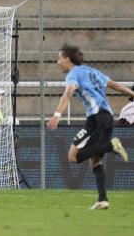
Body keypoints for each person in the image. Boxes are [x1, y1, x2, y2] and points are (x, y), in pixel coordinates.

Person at [47, 44, 134, 210]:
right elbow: (114, 85)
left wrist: (57, 114)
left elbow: (69, 92)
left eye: (59, 58)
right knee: (95, 161)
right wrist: (133, 94)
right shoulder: (92, 71)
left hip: (96, 118)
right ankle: (103, 199)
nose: (58, 62)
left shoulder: (73, 74)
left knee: (73, 156)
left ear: (67, 58)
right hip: (107, 117)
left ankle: (111, 145)